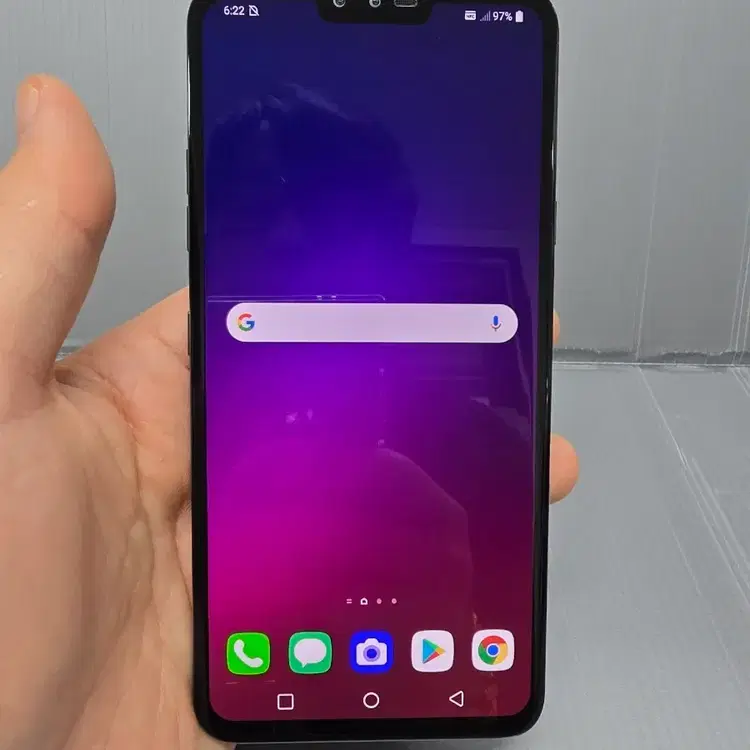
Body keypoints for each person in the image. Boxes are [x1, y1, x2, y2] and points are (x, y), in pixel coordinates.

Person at [0, 76, 579, 750]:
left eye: (326, 215)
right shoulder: (149, 461)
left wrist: (467, 653)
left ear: (393, 245)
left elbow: (488, 666)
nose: (292, 240)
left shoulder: (496, 456)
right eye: (261, 218)